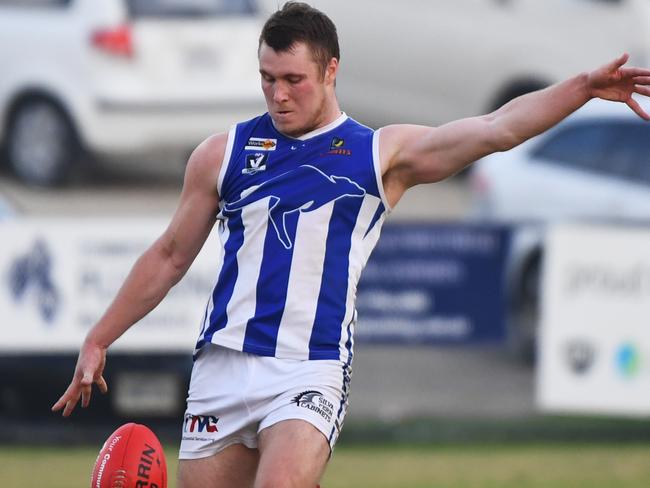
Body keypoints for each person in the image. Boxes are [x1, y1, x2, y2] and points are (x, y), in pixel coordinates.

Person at [52, 2, 650, 487]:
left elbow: (496, 129)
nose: (278, 95)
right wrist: (100, 337)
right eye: (267, 79)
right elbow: (169, 256)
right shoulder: (223, 152)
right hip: (223, 365)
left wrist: (580, 87)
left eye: (293, 80)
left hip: (310, 367)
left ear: (331, 71)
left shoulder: (378, 153)